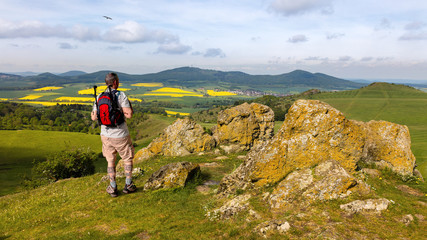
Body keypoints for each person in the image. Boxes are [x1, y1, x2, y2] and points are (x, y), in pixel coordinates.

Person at [91, 72, 136, 197]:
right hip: (120, 133)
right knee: (127, 158)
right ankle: (128, 185)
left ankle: (113, 187)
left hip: (105, 134)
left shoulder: (99, 96)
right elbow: (129, 115)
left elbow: (94, 117)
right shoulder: (120, 95)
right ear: (115, 82)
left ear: (106, 83)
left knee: (110, 160)